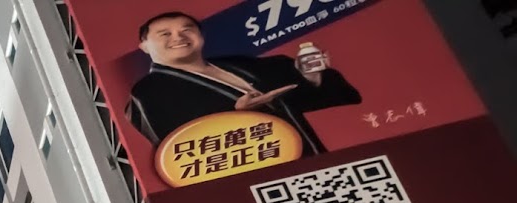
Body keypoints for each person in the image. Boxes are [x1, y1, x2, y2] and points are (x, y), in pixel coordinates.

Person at [125, 10, 362, 155]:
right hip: (252, 173)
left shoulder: (239, 64)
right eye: (165, 34)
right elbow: (176, 150)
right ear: (144, 46)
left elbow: (301, 101)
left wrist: (310, 76)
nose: (179, 37)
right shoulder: (147, 92)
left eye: (188, 29)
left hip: (310, 154)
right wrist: (237, 116)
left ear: (200, 36)